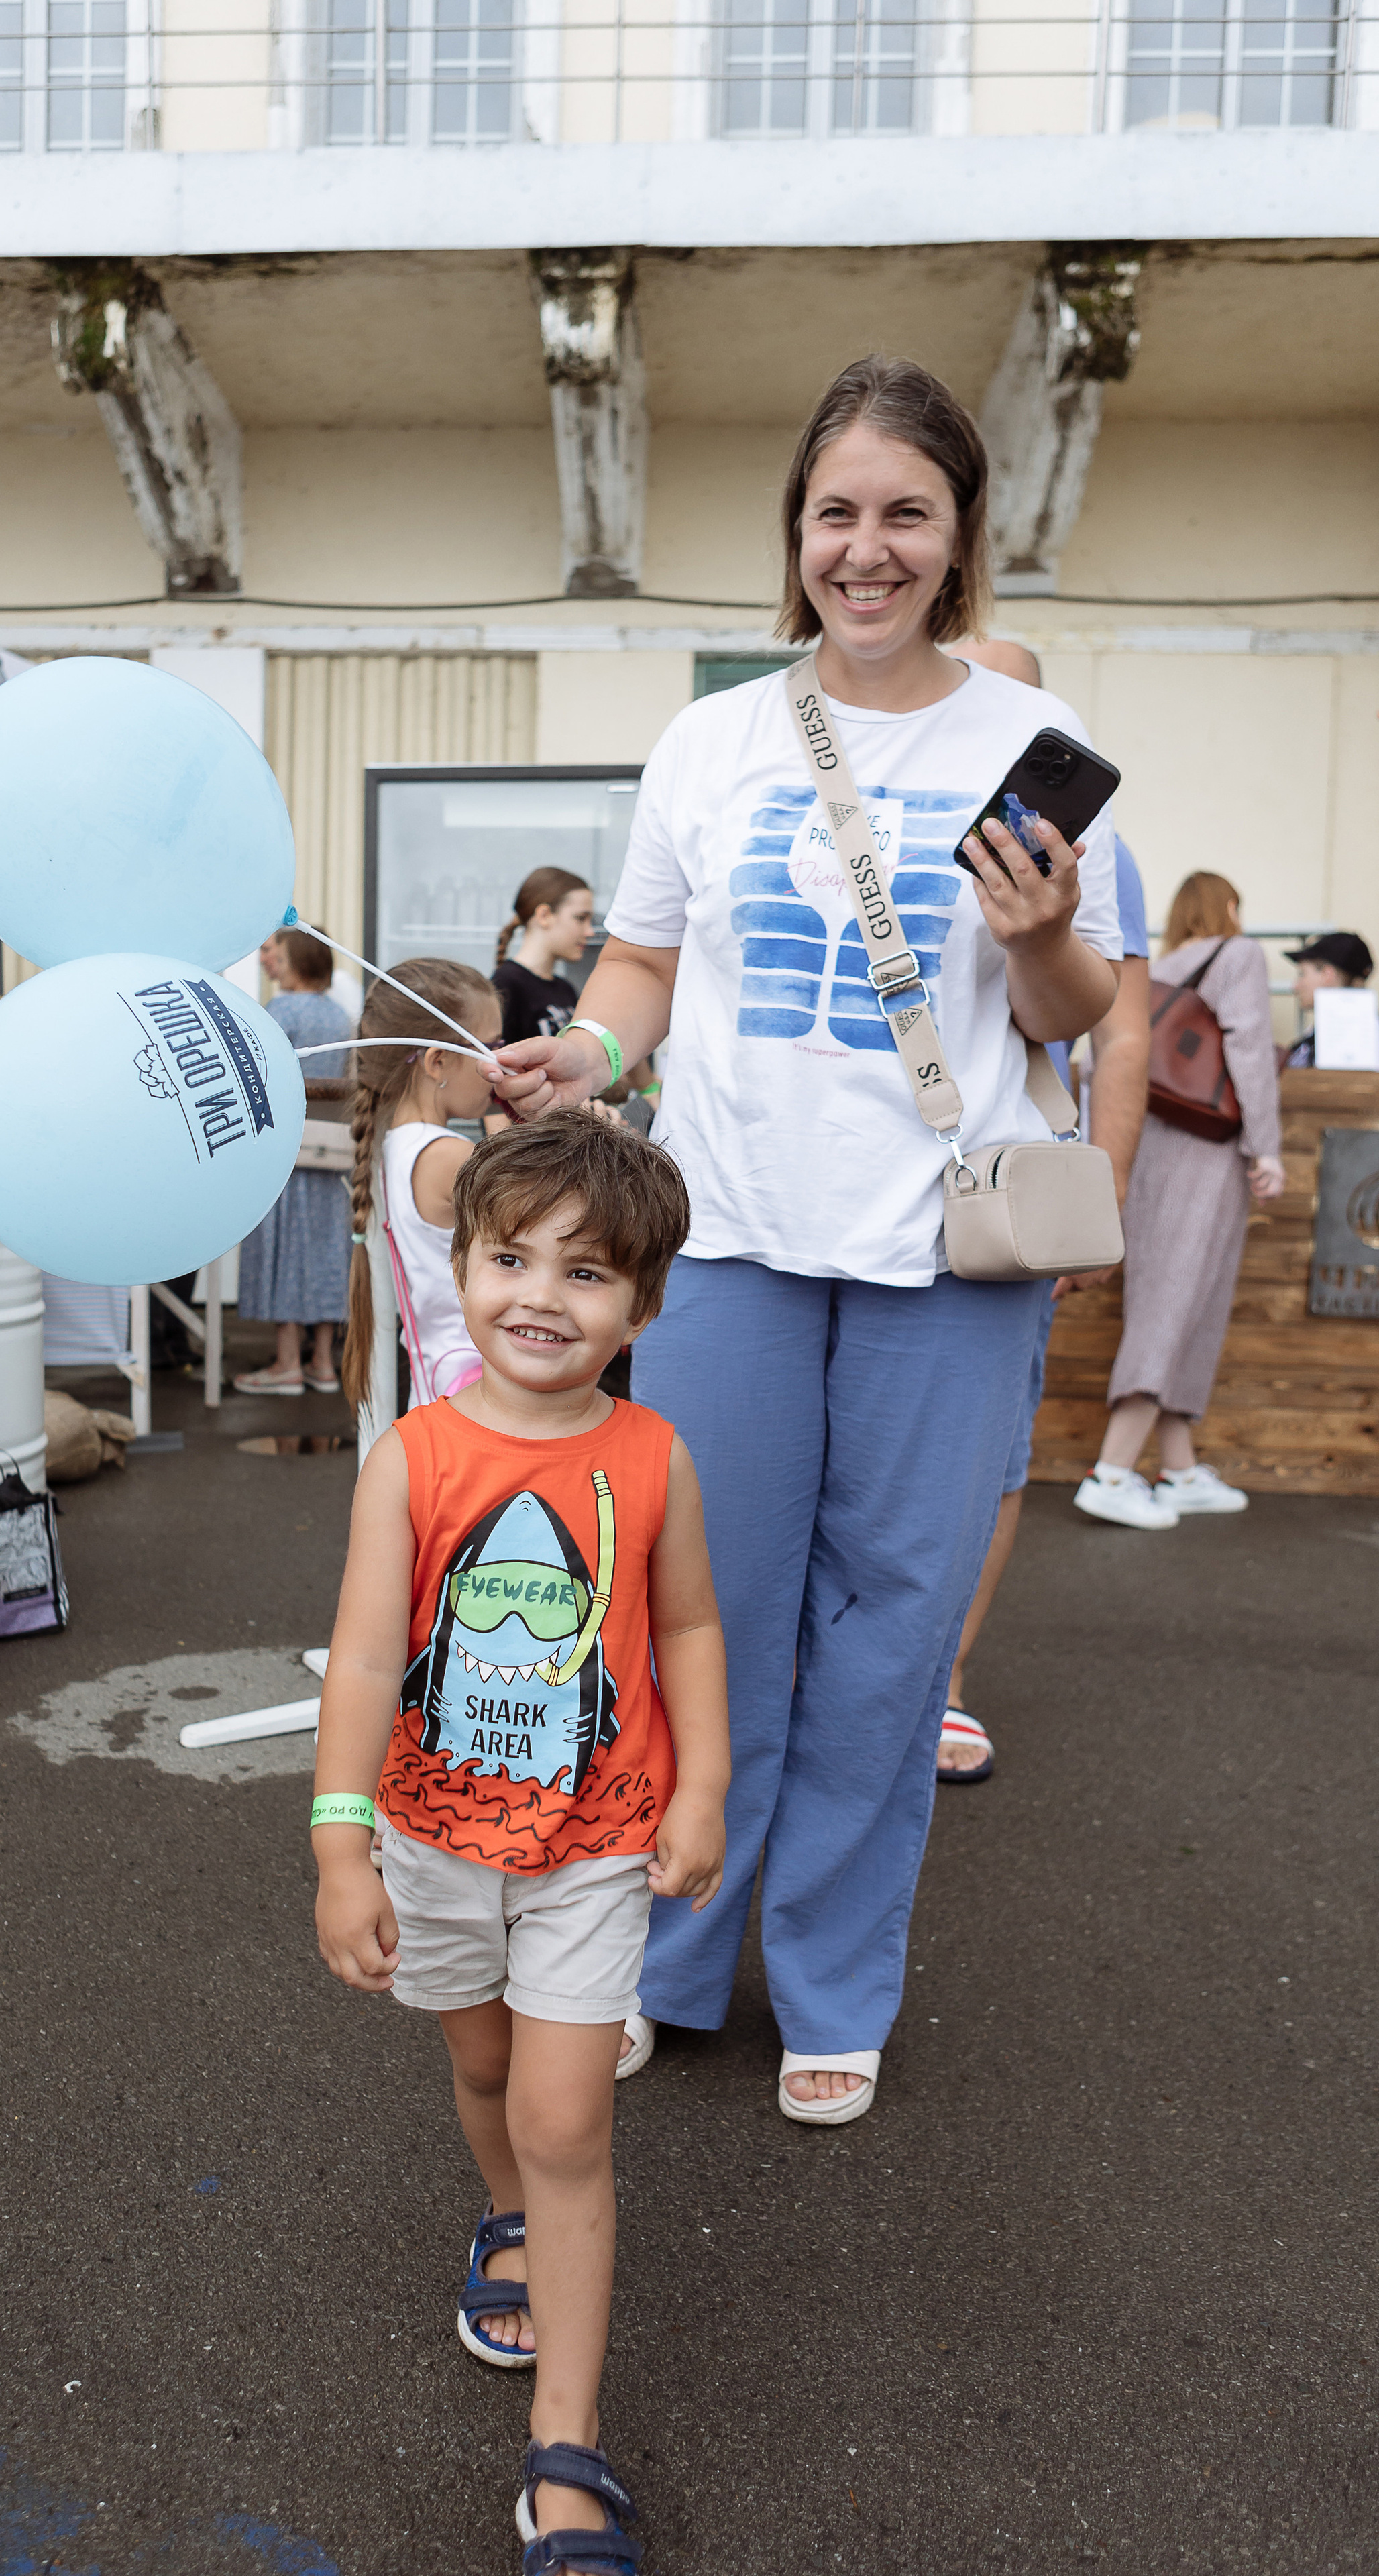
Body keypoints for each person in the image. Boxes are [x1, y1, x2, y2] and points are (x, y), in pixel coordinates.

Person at [492, 353, 1123, 2122]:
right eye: (837, 511)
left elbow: (1077, 1010)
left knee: (889, 1636)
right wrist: (593, 1053)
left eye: (906, 512)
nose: (869, 546)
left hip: (950, 1254)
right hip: (737, 1241)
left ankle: (835, 1984)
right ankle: (672, 1960)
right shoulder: (713, 742)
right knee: (702, 1622)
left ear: (958, 537)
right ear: (797, 535)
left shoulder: (1022, 749)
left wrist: (1041, 934)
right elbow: (642, 963)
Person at [311, 1110, 728, 2576]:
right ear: (460, 1265)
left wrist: (701, 1791)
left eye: (589, 1273)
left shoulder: (652, 1454)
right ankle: (499, 2217)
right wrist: (339, 1844)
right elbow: (364, 1661)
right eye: (509, 1258)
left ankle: (567, 2449)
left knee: (565, 2117)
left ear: (645, 1305)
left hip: (595, 1843)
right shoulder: (411, 1459)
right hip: (429, 1842)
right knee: (479, 2068)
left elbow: (682, 1627)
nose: (541, 1296)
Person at [937, 643, 1153, 1783]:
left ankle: (948, 1681)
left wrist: (1099, 1190)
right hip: (856, 1181)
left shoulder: (1087, 849)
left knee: (991, 1454)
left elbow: (1120, 1031)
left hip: (1009, 1187)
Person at [1075, 871, 1284, 1529]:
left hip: (1150, 1154)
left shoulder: (1159, 967)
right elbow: (1250, 1047)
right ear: (1226, 907)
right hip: (1206, 1155)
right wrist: (1267, 1147)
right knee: (1174, 1304)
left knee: (1173, 1299)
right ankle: (1111, 1471)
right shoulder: (1239, 954)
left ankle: (1176, 1468)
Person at [341, 958, 502, 1416]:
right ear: (438, 1061)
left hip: (439, 1385)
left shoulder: (396, 1146)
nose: (500, 1062)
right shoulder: (449, 1157)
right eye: (490, 1047)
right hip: (481, 1389)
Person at [233, 924, 353, 1398]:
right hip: (331, 1149)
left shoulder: (278, 1011)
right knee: (326, 1251)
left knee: (284, 1250)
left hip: (286, 1153)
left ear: (295, 958)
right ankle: (323, 1363)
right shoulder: (339, 1016)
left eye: (273, 953)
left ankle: (286, 1362)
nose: (267, 961)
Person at [492, 869, 595, 1049]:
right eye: (580, 918)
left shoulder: (566, 990)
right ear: (544, 916)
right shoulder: (506, 985)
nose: (590, 932)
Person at [1280, 932, 1374, 1070]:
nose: (1295, 986)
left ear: (1327, 974)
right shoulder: (1370, 1037)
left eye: (1302, 974)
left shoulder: (1321, 1047)